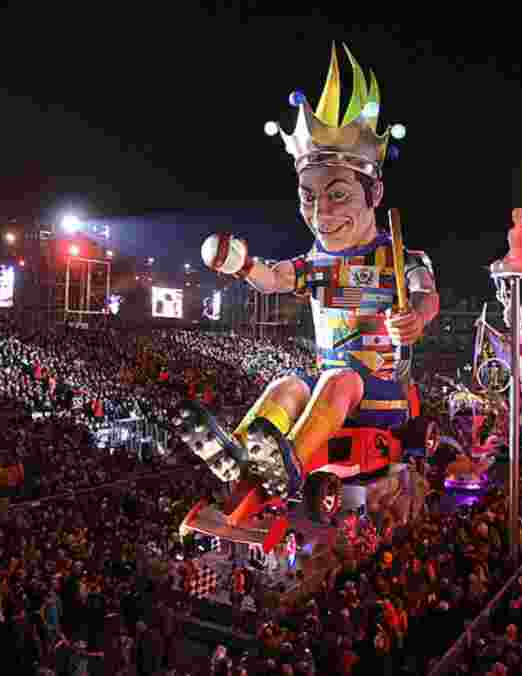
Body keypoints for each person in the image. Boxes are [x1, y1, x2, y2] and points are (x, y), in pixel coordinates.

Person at [187, 43, 439, 515]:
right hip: (331, 383)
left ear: (374, 193)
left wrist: (418, 318)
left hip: (380, 392)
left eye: (338, 194)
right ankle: (237, 453)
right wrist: (241, 264)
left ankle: (292, 465)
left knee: (339, 381)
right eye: (308, 197)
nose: (321, 213)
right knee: (286, 385)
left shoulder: (399, 255)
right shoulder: (316, 262)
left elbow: (427, 294)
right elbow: (276, 278)